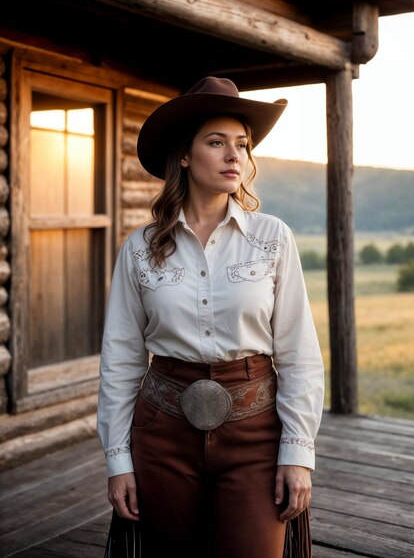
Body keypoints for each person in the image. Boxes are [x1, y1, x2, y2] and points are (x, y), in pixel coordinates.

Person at [97, 76, 325, 558]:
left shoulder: (272, 238)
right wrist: (118, 460)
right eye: (216, 142)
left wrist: (298, 453)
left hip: (256, 433)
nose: (234, 156)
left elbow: (299, 353)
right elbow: (120, 361)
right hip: (163, 435)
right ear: (184, 155)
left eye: (241, 144)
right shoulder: (140, 248)